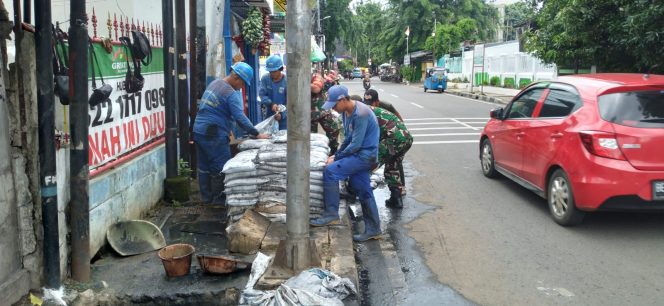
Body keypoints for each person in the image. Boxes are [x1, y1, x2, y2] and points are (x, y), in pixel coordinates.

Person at [310, 85, 382, 242]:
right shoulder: (346, 112)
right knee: (362, 188)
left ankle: (331, 214)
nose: (334, 109)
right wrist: (337, 154)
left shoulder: (361, 114)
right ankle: (374, 229)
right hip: (359, 154)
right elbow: (348, 138)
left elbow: (356, 145)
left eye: (335, 105)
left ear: (343, 99)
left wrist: (336, 158)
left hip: (365, 156)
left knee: (330, 172)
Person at [193, 62, 270, 204]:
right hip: (214, 134)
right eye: (243, 83)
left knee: (204, 166)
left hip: (199, 130)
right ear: (237, 78)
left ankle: (206, 198)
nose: (242, 87)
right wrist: (256, 134)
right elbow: (240, 117)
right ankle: (219, 200)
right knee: (221, 167)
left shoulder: (215, 83)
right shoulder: (230, 93)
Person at [361, 99, 413, 208]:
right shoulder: (370, 110)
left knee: (370, 163)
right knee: (392, 166)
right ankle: (396, 199)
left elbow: (369, 138)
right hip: (406, 138)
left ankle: (363, 195)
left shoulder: (362, 113)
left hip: (393, 139)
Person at [310, 73, 341, 155]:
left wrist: (302, 83)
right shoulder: (291, 78)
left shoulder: (315, 76)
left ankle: (333, 151)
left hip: (322, 111)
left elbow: (316, 89)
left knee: (333, 130)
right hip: (306, 114)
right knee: (311, 137)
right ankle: (313, 155)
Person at [259, 54, 287, 130]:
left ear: (280, 69)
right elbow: (262, 95)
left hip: (285, 120)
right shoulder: (265, 79)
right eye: (270, 71)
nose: (272, 74)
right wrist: (271, 104)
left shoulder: (287, 81)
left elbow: (291, 103)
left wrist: (282, 114)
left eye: (274, 71)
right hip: (269, 117)